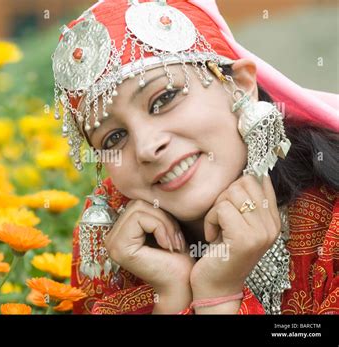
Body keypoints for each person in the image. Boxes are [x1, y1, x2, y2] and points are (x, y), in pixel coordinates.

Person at [50, 0, 339, 314]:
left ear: (240, 86)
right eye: (114, 137)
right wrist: (172, 295)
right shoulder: (114, 246)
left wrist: (217, 294)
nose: (147, 147)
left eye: (164, 99)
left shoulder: (331, 226)